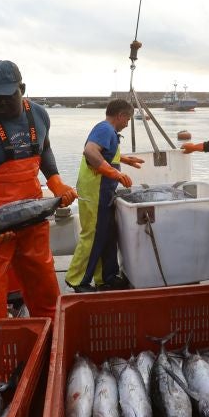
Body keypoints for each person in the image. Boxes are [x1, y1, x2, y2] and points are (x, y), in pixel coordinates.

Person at [0, 60, 77, 319]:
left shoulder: (40, 115)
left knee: (43, 281)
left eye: (8, 96)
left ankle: (51, 334)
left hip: (33, 217)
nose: (1, 104)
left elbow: (45, 149)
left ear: (22, 88)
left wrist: (54, 181)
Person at [65, 99, 144, 292]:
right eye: (128, 119)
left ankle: (106, 277)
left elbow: (106, 154)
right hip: (94, 192)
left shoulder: (109, 132)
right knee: (92, 235)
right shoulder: (105, 129)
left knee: (108, 234)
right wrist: (116, 173)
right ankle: (77, 280)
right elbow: (90, 152)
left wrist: (126, 160)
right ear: (121, 116)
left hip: (105, 192)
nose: (127, 123)